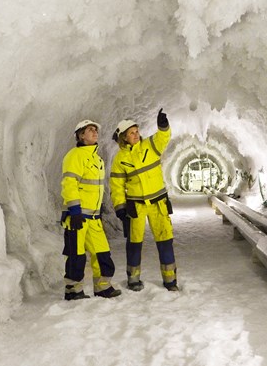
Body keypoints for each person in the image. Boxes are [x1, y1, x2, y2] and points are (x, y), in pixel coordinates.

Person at [110, 108, 178, 291]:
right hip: (135, 206)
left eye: (136, 131)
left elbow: (164, 137)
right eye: (131, 133)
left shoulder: (150, 145)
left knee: (165, 240)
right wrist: (120, 207)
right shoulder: (119, 160)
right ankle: (133, 279)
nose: (135, 135)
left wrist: (163, 126)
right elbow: (116, 186)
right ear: (123, 137)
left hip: (158, 203)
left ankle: (170, 281)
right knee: (134, 243)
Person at [60, 119, 121, 300]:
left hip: (93, 218)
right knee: (76, 255)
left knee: (102, 253)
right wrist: (75, 210)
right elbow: (69, 183)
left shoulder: (97, 159)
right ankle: (73, 290)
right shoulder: (75, 156)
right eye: (90, 130)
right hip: (77, 217)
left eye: (96, 130)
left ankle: (102, 286)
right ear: (80, 135)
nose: (95, 132)